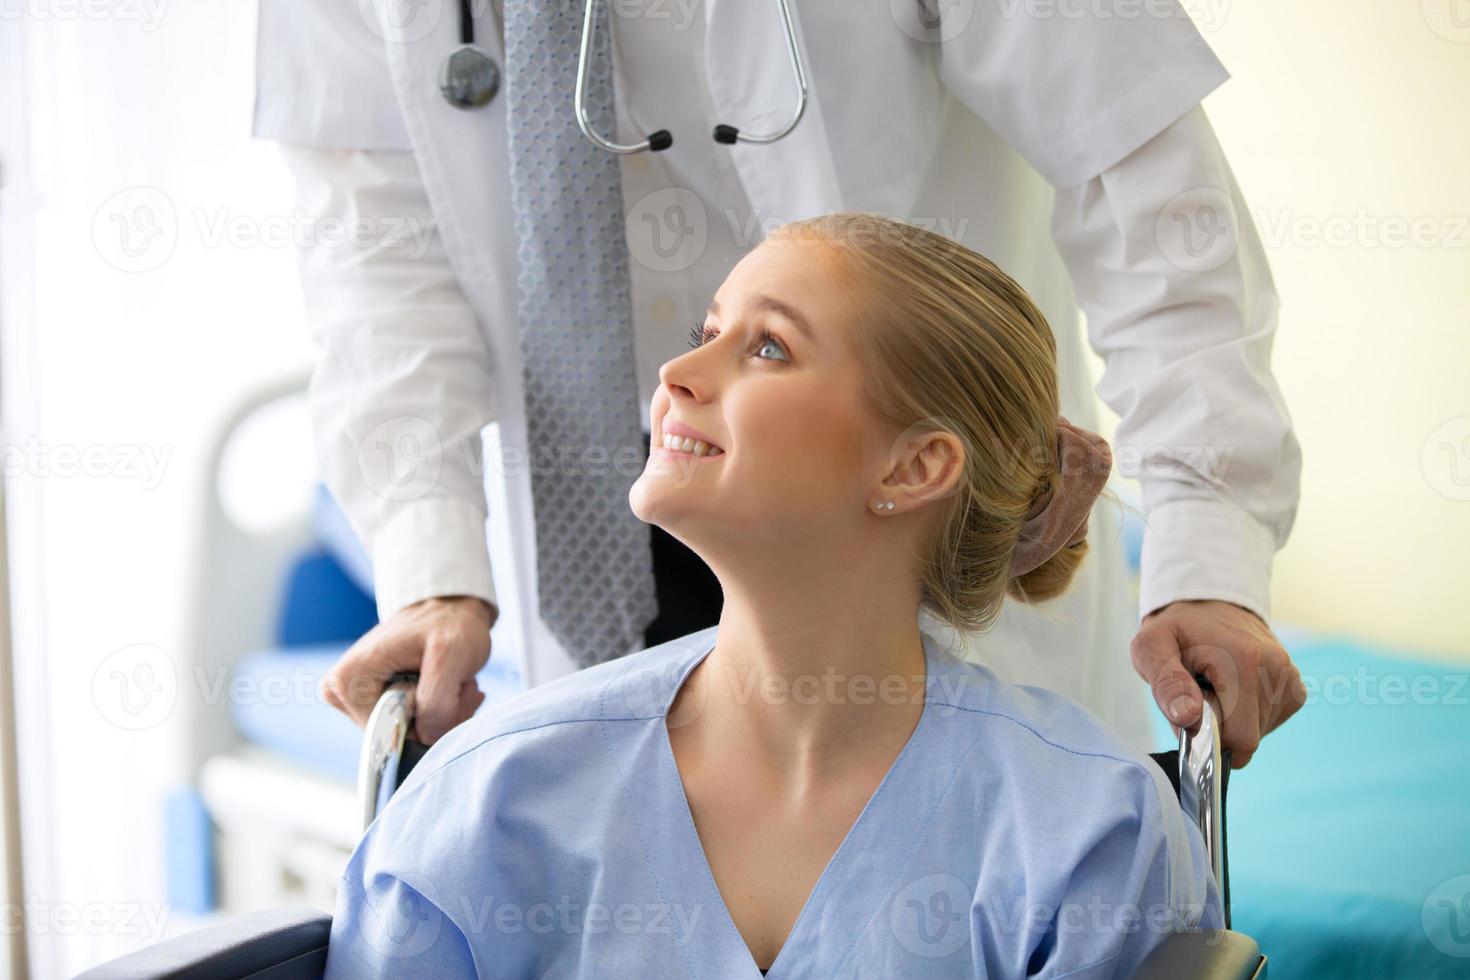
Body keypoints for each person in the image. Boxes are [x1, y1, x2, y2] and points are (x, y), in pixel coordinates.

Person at [252, 0, 1306, 761]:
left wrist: (1207, 549)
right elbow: (373, 263)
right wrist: (429, 562)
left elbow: (1146, 186)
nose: (679, 375)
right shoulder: (497, 821)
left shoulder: (1058, 836)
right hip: (592, 543)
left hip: (918, 553)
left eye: (756, 343)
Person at [322, 214, 1224, 978]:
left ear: (915, 466)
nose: (678, 375)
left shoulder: (1088, 830)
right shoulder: (489, 803)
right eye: (704, 331)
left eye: (766, 346)